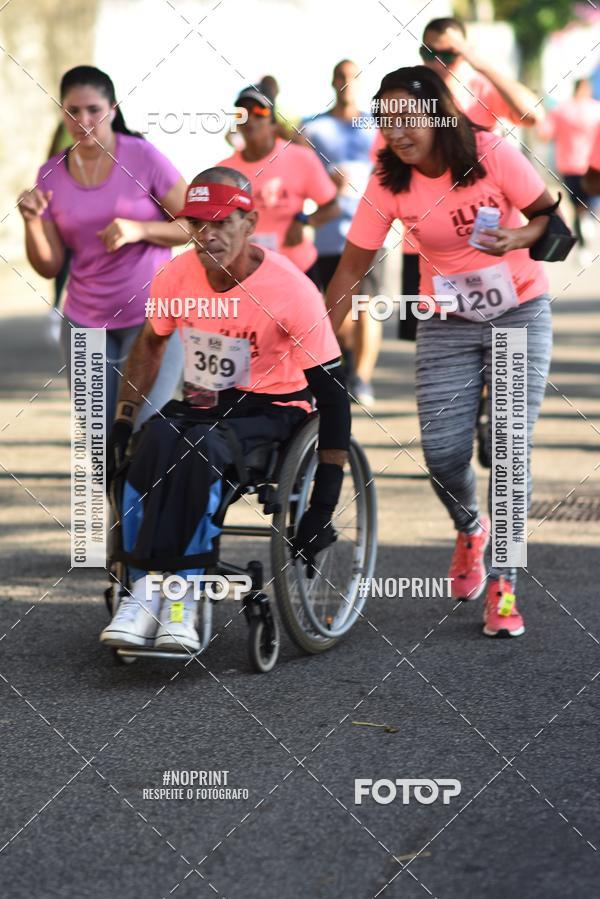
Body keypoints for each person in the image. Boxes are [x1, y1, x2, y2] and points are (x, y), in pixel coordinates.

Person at [327, 66, 557, 638]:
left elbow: (551, 220)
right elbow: (350, 270)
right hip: (446, 322)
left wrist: (520, 237)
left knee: (508, 449)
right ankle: (469, 526)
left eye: (408, 118)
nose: (397, 132)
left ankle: (503, 580)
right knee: (443, 453)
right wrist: (319, 351)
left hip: (517, 311)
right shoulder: (388, 181)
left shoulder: (490, 152)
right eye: (387, 121)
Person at [100, 168, 350, 652]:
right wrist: (125, 417)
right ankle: (141, 590)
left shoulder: (292, 289)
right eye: (197, 224)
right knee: (146, 447)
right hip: (205, 399)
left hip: (274, 406)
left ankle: (182, 596)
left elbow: (334, 395)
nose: (207, 235)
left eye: (220, 223)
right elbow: (151, 345)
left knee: (197, 449)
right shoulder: (176, 275)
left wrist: (322, 505)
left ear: (250, 221)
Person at [17, 65, 189, 429]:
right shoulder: (50, 173)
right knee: (100, 442)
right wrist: (31, 222)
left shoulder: (143, 156)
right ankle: (112, 488)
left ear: (112, 109)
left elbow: (194, 225)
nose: (84, 120)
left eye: (94, 110)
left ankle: (144, 486)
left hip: (151, 316)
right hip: (85, 322)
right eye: (73, 111)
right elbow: (49, 266)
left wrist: (140, 229)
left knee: (142, 431)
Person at [388, 17, 543, 342]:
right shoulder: (408, 100)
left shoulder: (482, 90)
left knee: (503, 356)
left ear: (466, 53)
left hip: (488, 241)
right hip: (426, 245)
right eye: (429, 52)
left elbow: (532, 115)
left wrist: (479, 63)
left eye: (449, 53)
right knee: (439, 350)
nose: (437, 61)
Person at [303, 60, 385, 408]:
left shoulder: (376, 127)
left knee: (369, 307)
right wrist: (327, 183)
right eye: (341, 78)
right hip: (328, 234)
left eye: (353, 78)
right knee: (337, 310)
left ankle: (362, 378)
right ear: (332, 81)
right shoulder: (314, 128)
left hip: (372, 228)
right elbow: (297, 171)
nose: (347, 84)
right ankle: (347, 360)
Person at [217, 86, 340, 287]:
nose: (250, 119)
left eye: (259, 112)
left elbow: (332, 206)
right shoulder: (223, 171)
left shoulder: (300, 158)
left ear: (273, 122)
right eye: (242, 113)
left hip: (297, 269)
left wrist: (303, 221)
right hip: (246, 275)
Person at [538, 79, 600, 261]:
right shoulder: (597, 110)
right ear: (586, 89)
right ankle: (588, 220)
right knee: (589, 201)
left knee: (577, 207)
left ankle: (583, 246)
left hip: (569, 166)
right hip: (593, 165)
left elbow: (544, 134)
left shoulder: (561, 111)